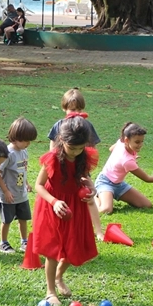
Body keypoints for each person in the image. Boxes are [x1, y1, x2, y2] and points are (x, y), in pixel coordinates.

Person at [32, 116, 99, 306]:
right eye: (72, 148)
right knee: (53, 250)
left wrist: (92, 189)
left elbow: (85, 178)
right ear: (62, 141)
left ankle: (59, 276)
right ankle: (50, 291)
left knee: (74, 246)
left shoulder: (83, 157)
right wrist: (54, 202)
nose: (76, 153)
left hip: (75, 205)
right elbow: (39, 185)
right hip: (53, 205)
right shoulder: (52, 158)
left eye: (80, 148)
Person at [47, 87, 103, 237]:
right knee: (65, 197)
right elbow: (52, 148)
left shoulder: (86, 126)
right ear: (64, 108)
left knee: (88, 198)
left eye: (78, 109)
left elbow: (92, 148)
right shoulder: (59, 125)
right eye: (71, 109)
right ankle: (63, 230)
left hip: (80, 168)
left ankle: (98, 231)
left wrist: (85, 169)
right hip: (62, 169)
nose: (75, 113)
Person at [95, 122, 153, 213]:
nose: (140, 145)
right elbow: (147, 179)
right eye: (137, 142)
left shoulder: (121, 142)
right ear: (127, 140)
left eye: (142, 141)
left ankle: (109, 195)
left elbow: (111, 149)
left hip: (119, 184)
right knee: (106, 209)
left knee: (146, 205)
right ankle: (93, 198)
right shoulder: (127, 161)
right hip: (105, 182)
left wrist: (130, 157)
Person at [0, 117, 38, 254]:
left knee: (23, 218)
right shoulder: (8, 154)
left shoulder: (24, 151)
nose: (28, 143)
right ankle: (3, 242)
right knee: (7, 220)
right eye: (26, 140)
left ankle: (24, 241)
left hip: (21, 193)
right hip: (8, 195)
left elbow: (21, 170)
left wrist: (27, 183)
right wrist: (6, 191)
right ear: (15, 138)